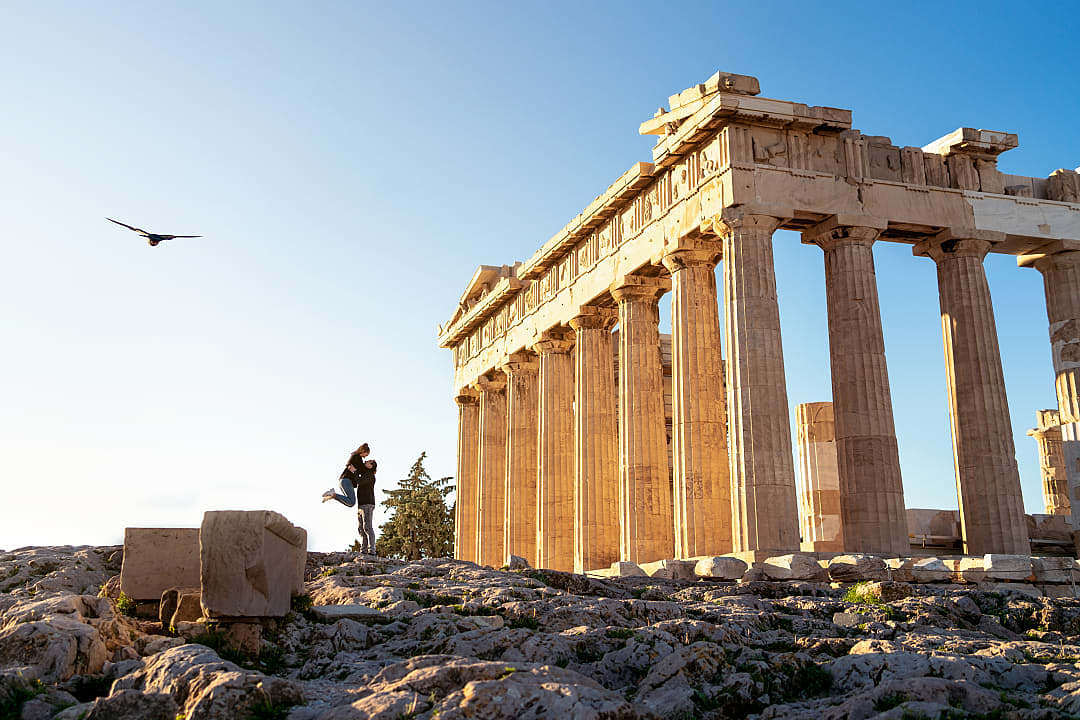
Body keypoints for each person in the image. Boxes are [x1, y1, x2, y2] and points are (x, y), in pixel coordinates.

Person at [354, 459, 378, 555]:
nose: (366, 461)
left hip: (368, 503)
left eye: (368, 461)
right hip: (361, 504)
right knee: (361, 528)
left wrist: (354, 472)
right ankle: (363, 550)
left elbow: (359, 481)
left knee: (367, 527)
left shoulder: (370, 475)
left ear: (371, 465)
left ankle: (372, 550)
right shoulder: (365, 473)